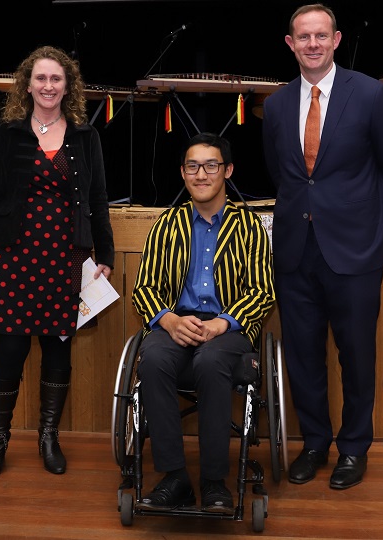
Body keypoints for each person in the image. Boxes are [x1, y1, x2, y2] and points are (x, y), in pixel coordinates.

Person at [262, 4, 383, 490]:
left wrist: (365, 218)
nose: (311, 44)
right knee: (303, 355)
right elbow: (282, 174)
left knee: (356, 354)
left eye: (320, 36)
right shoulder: (279, 102)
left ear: (336, 39)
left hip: (356, 252)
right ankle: (314, 444)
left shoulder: (368, 94)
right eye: (302, 36)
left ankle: (353, 449)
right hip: (294, 252)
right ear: (290, 43)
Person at [0, 45, 115, 480]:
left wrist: (103, 255)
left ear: (68, 86)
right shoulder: (6, 135)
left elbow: (99, 201)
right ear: (27, 85)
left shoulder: (86, 137)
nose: (48, 86)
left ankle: (49, 437)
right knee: (8, 352)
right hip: (12, 259)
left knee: (58, 352)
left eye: (56, 79)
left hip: (66, 260)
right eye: (41, 79)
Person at [132, 132, 275, 513]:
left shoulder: (250, 228)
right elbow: (144, 288)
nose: (201, 174)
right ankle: (175, 477)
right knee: (156, 361)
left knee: (211, 362)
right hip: (175, 321)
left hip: (228, 328)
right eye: (193, 166)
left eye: (211, 165)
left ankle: (214, 482)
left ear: (227, 171)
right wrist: (169, 319)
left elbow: (263, 291)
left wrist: (222, 324)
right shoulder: (167, 225)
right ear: (182, 173)